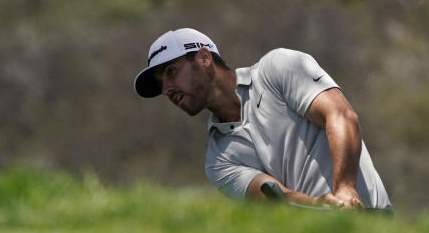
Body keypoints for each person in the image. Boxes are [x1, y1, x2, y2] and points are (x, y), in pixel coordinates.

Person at [134, 28, 392, 211]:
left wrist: (346, 189)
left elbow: (340, 115)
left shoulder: (277, 69)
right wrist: (321, 206)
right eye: (161, 84)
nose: (167, 88)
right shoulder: (219, 159)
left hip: (374, 221)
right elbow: (275, 199)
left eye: (171, 72)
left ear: (203, 59)